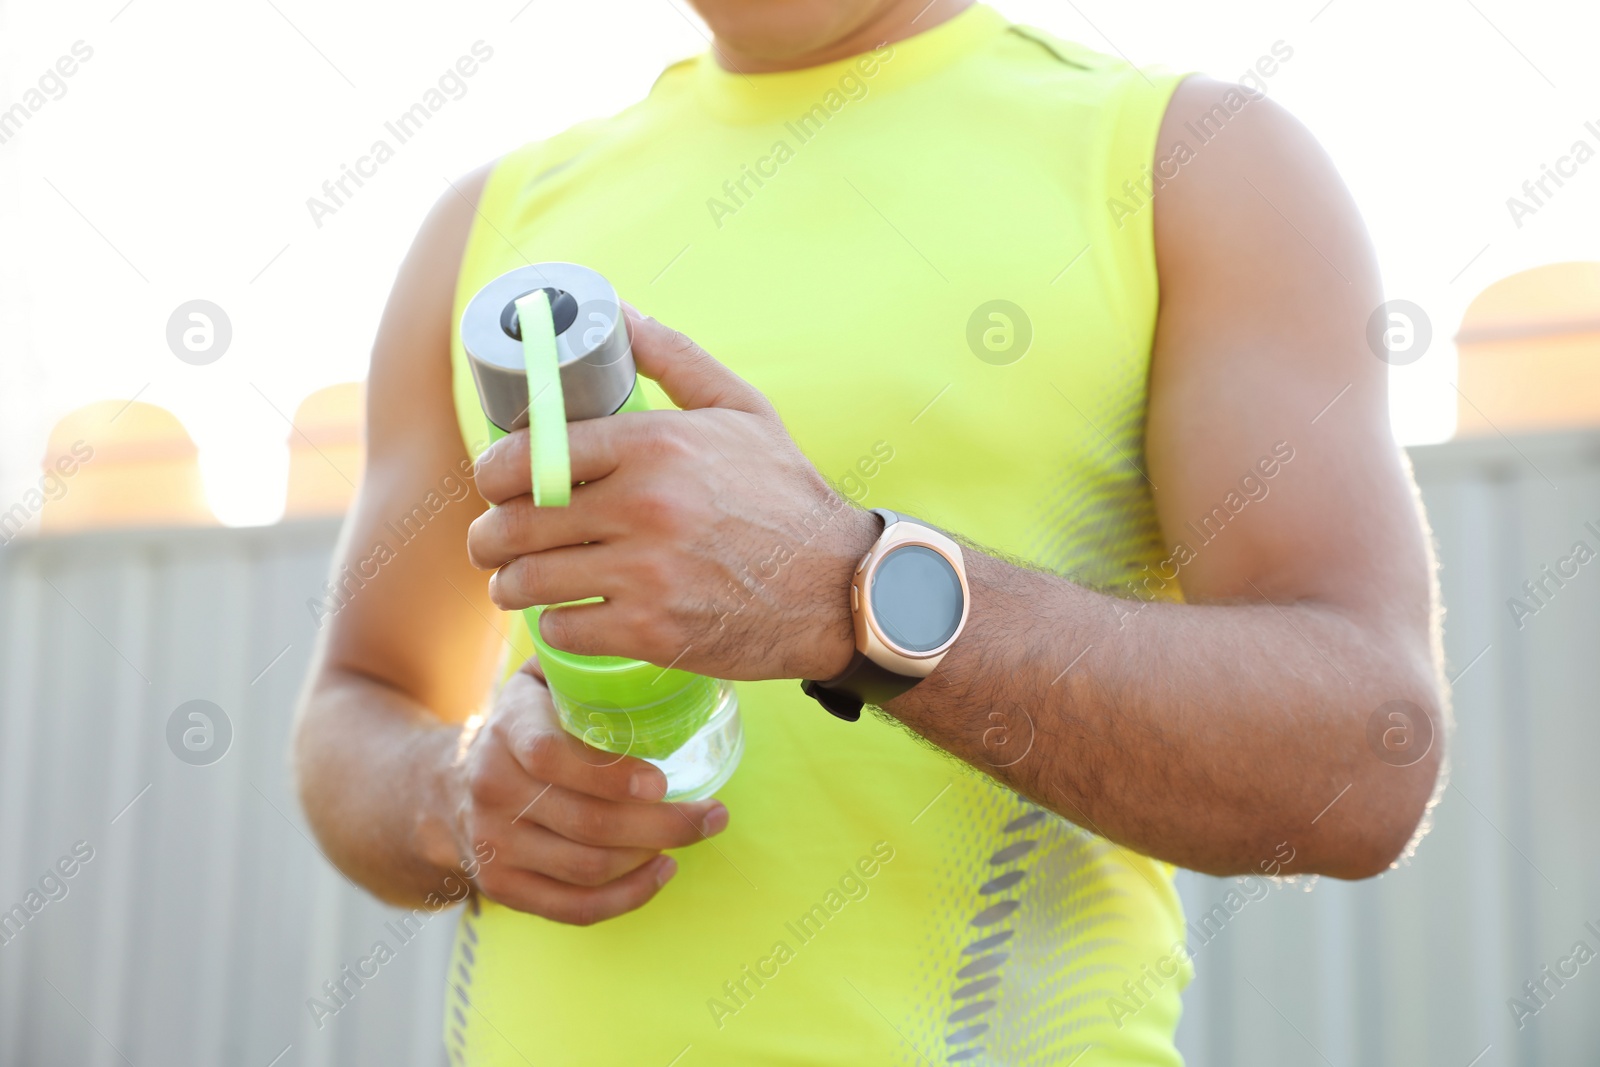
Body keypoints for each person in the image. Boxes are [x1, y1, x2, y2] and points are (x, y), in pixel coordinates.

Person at [292, 0, 1446, 1062]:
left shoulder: (1192, 160)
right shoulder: (485, 227)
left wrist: (847, 587)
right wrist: (450, 797)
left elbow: (1365, 755)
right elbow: (360, 696)